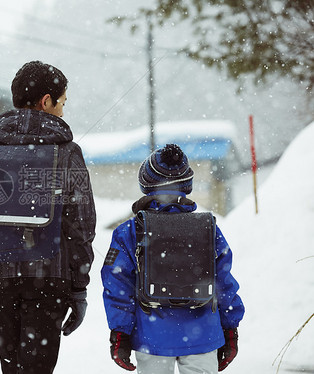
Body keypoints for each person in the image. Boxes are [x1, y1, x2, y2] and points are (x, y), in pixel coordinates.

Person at [0, 60, 96, 374]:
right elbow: (81, 226)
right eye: (62, 104)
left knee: (13, 369)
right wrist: (79, 286)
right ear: (46, 101)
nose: (62, 111)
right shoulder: (67, 153)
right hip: (51, 277)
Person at [101, 144, 244, 374]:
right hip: (204, 334)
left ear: (145, 183)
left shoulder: (129, 231)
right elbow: (224, 281)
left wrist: (120, 333)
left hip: (152, 337)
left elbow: (116, 283)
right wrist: (230, 328)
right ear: (187, 184)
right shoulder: (208, 228)